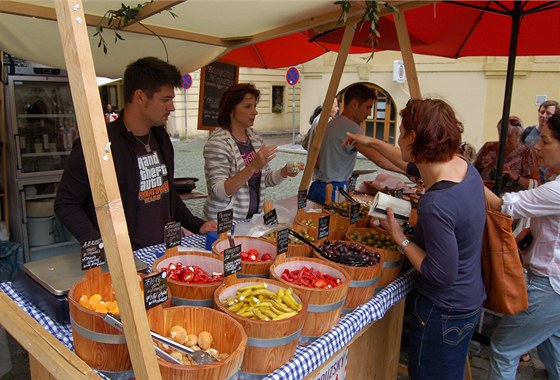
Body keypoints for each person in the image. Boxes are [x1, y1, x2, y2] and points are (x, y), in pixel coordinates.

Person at [345, 98, 486, 380]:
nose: (397, 138)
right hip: (468, 301)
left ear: (413, 137)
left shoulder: (437, 203)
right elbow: (404, 160)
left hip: (444, 308)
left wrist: (400, 237)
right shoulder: (461, 166)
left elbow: (440, 274)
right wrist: (368, 142)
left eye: (400, 131)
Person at [54, 57, 216, 250]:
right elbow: (66, 203)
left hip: (166, 252)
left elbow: (166, 192)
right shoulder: (98, 144)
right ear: (140, 97)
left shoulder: (161, 138)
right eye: (165, 100)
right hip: (126, 259)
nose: (171, 107)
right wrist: (99, 245)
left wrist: (196, 224)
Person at [485, 113, 560, 380]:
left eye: (547, 141)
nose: (538, 146)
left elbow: (503, 204)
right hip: (554, 287)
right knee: (553, 347)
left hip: (550, 286)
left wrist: (461, 172)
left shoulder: (556, 190)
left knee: (504, 348)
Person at [203, 83, 303, 221]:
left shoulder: (255, 138)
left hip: (252, 219)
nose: (255, 112)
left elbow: (265, 179)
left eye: (254, 106)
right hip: (223, 222)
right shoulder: (218, 143)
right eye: (248, 106)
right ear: (231, 110)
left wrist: (284, 172)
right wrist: (253, 166)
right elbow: (219, 192)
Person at [308, 83, 376, 203]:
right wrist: (406, 169)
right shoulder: (353, 129)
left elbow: (316, 161)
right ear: (354, 104)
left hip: (317, 187)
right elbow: (378, 158)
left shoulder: (331, 125)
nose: (369, 113)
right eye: (368, 107)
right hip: (333, 190)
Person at [473, 116, 540, 194]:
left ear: (518, 136)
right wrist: (482, 183)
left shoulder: (527, 152)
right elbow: (473, 170)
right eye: (501, 135)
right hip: (484, 194)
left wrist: (515, 176)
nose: (504, 139)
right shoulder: (488, 147)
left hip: (510, 200)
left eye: (509, 136)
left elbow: (536, 185)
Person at [520, 100, 559, 183]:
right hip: (528, 179)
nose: (544, 116)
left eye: (548, 113)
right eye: (542, 112)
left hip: (547, 179)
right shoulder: (528, 131)